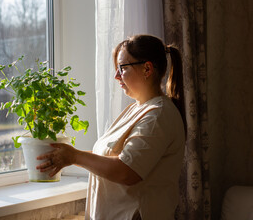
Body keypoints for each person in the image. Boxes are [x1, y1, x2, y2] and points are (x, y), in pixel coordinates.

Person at [36, 34, 186, 220]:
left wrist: (74, 156)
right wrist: (67, 156)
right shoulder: (136, 109)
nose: (116, 76)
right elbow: (111, 157)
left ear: (147, 69)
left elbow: (127, 171)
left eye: (122, 68)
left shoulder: (158, 115)